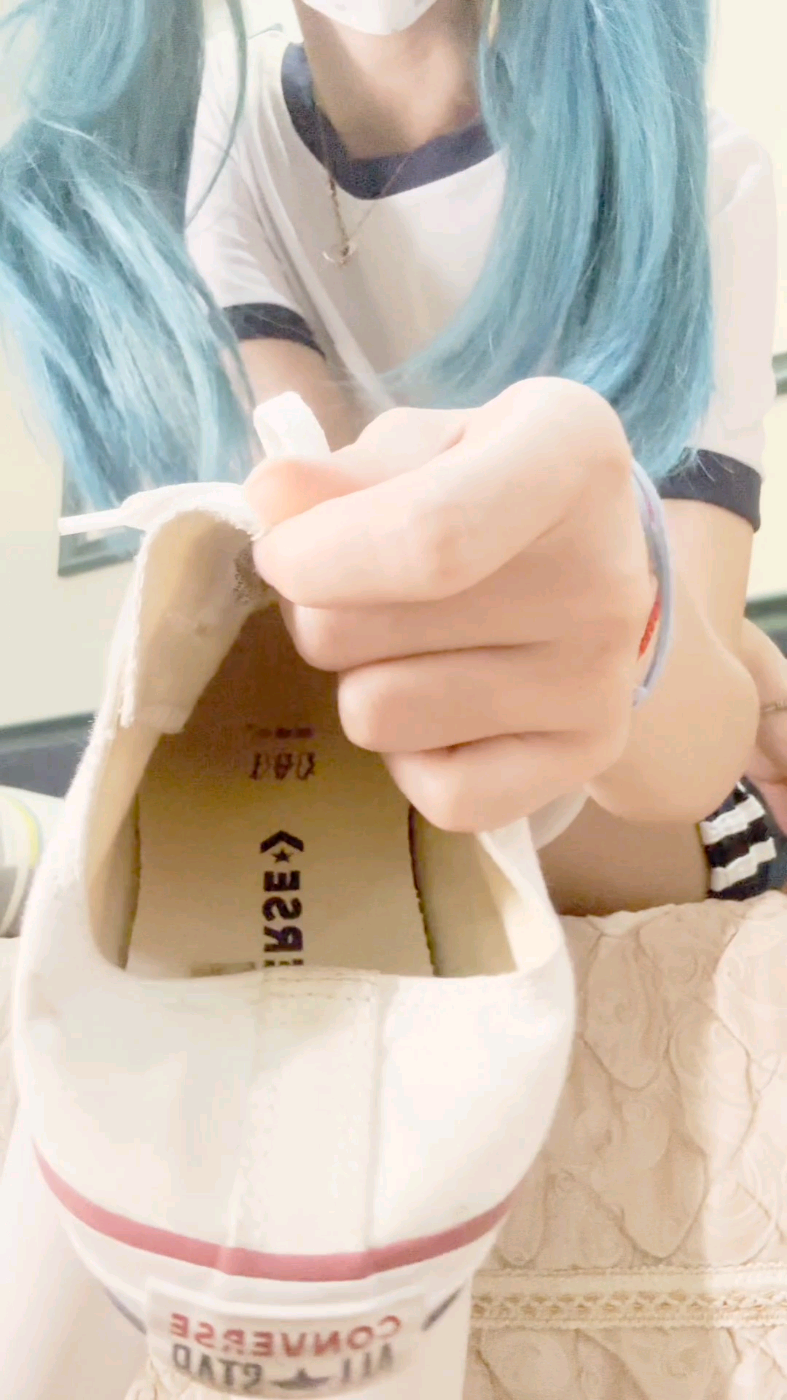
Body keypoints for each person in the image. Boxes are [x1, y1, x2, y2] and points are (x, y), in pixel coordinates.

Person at [0, 0, 783, 1394]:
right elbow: (290, 581)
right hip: (344, 756)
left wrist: (636, 634)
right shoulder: (214, 162)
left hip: (644, 813)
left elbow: (690, 737)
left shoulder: (704, 168)